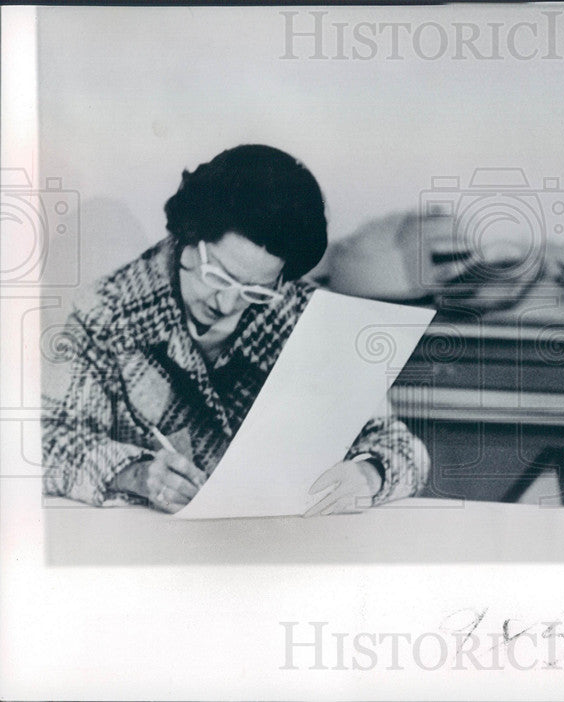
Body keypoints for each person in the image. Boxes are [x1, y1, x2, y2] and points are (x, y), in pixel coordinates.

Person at [43, 144, 429, 514]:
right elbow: (47, 444)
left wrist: (369, 474)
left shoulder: (303, 318)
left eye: (254, 291)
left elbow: (401, 447)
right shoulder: (105, 315)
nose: (226, 304)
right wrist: (136, 474)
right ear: (188, 235)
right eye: (219, 276)